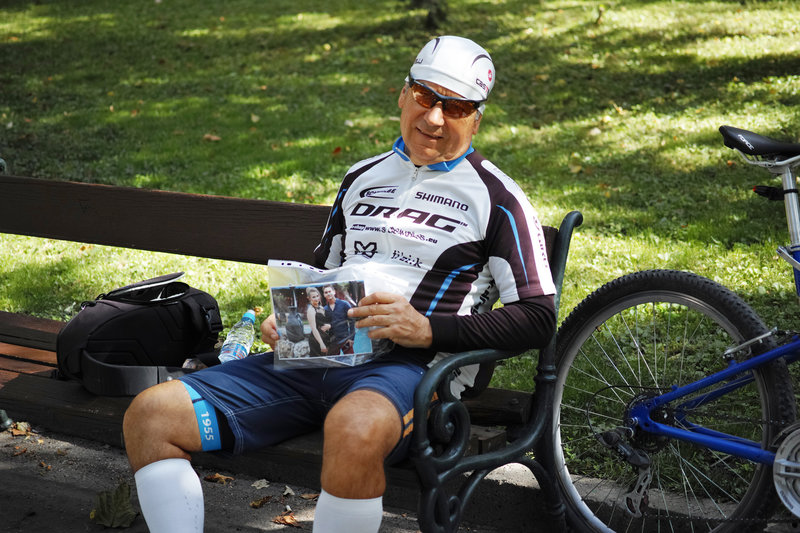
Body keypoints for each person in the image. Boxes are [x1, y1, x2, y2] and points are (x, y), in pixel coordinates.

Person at [122, 35, 556, 533]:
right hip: (315, 357)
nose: (435, 118)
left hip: (412, 372)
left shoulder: (498, 199)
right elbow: (321, 274)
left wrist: (426, 330)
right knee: (152, 414)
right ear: (403, 94)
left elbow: (538, 318)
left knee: (352, 429)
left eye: (455, 107)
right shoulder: (361, 177)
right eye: (424, 96)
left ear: (476, 119)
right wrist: (286, 319)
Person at [322, 284, 355, 355]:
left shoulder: (344, 304)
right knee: (333, 360)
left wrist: (351, 338)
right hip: (333, 341)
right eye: (326, 292)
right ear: (324, 295)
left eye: (329, 291)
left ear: (334, 292)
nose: (328, 294)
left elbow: (352, 321)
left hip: (345, 339)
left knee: (350, 358)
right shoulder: (324, 309)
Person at [306, 286, 332, 356]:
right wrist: (321, 344)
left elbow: (325, 321)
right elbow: (314, 329)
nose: (316, 298)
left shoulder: (321, 307)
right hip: (316, 340)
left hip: (324, 337)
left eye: (317, 296)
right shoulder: (311, 310)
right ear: (309, 298)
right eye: (313, 297)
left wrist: (329, 326)